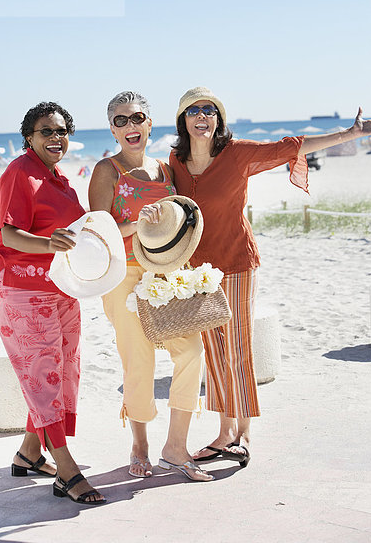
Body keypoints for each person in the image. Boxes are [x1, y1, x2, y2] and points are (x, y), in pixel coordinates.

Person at [170, 86, 371, 466]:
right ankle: (225, 432)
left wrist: (349, 134)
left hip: (235, 262)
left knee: (237, 348)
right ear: (183, 119)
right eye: (194, 110)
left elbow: (291, 145)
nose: (202, 116)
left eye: (210, 110)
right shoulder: (175, 160)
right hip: (195, 270)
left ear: (219, 119)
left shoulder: (238, 153)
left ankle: (241, 432)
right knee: (214, 352)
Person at [0, 102, 106, 505]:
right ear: (29, 138)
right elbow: (10, 235)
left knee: (65, 368)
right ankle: (66, 469)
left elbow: (80, 232)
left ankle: (28, 454)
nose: (56, 137)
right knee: (43, 372)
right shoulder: (20, 173)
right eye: (46, 131)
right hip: (18, 284)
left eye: (62, 131)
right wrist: (47, 243)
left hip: (58, 283)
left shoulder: (62, 181)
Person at [88, 91, 213, 481]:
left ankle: (176, 448)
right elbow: (97, 233)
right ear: (112, 129)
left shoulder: (164, 169)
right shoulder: (106, 171)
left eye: (136, 118)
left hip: (164, 273)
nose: (130, 126)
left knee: (191, 349)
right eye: (120, 120)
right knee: (138, 359)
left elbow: (172, 225)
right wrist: (137, 220)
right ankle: (140, 443)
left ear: (149, 125)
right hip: (123, 274)